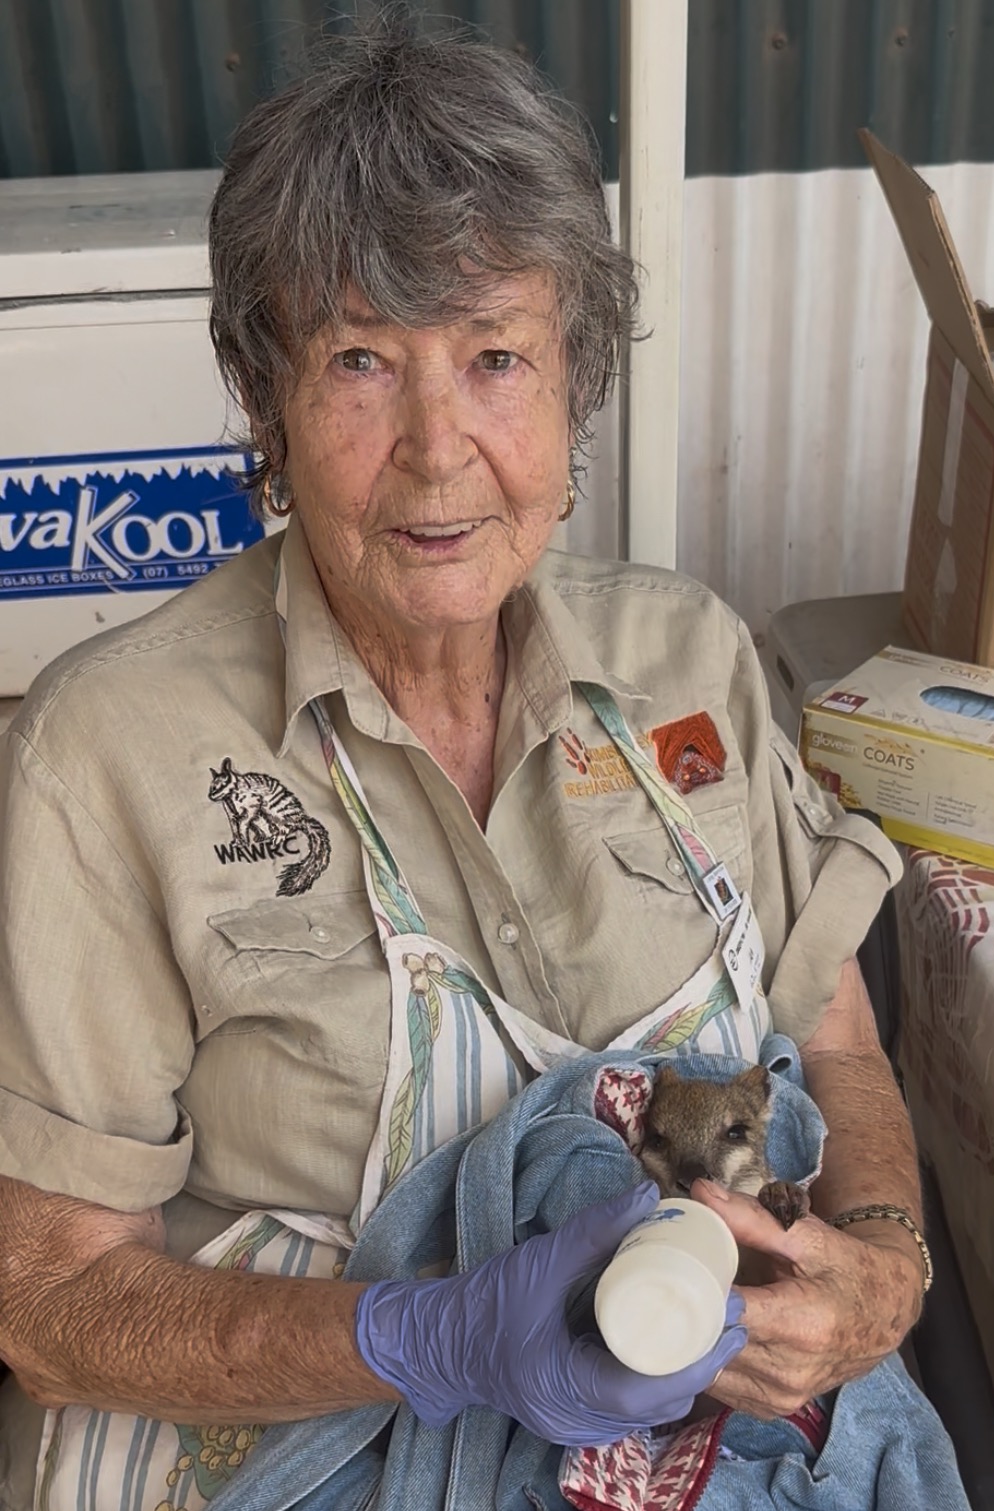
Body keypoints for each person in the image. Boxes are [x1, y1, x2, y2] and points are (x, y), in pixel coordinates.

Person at [0, 15, 933, 1510]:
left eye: (497, 357)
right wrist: (423, 1337)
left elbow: (837, 1050)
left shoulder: (690, 658)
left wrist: (883, 1262)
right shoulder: (107, 753)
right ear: (266, 401)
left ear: (575, 383)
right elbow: (51, 1308)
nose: (438, 450)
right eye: (360, 361)